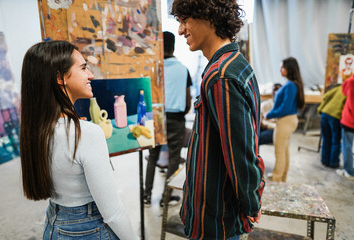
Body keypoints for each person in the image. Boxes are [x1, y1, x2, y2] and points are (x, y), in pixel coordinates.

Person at [20, 41, 138, 240]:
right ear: (59, 77)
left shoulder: (35, 128)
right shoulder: (86, 133)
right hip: (87, 229)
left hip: (54, 223)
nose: (91, 75)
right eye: (83, 68)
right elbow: (112, 212)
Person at [171, 1, 265, 239]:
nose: (181, 30)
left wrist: (251, 202)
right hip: (214, 212)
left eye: (185, 20)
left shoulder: (221, 76)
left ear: (208, 16)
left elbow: (241, 155)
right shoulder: (233, 65)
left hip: (216, 219)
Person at [143, 31, 192, 207]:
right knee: (173, 158)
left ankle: (146, 196)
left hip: (154, 116)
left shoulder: (154, 69)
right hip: (175, 118)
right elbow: (188, 101)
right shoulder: (183, 69)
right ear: (173, 46)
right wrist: (182, 112)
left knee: (153, 155)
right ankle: (167, 197)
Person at [266, 57, 305, 182]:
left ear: (289, 69)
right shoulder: (292, 84)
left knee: (279, 151)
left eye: (282, 67)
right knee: (284, 150)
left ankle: (277, 178)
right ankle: (282, 176)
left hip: (285, 120)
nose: (280, 69)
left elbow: (285, 108)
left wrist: (269, 115)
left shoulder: (290, 86)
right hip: (288, 120)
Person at [317, 84, 346, 168]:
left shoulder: (340, 87)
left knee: (326, 139)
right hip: (336, 116)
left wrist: (320, 110)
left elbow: (326, 96)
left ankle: (325, 160)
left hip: (325, 113)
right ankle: (333, 163)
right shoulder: (349, 90)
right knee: (335, 141)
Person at [336, 75, 354, 180]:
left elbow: (344, 92)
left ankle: (348, 171)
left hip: (350, 120)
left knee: (346, 146)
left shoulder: (351, 82)